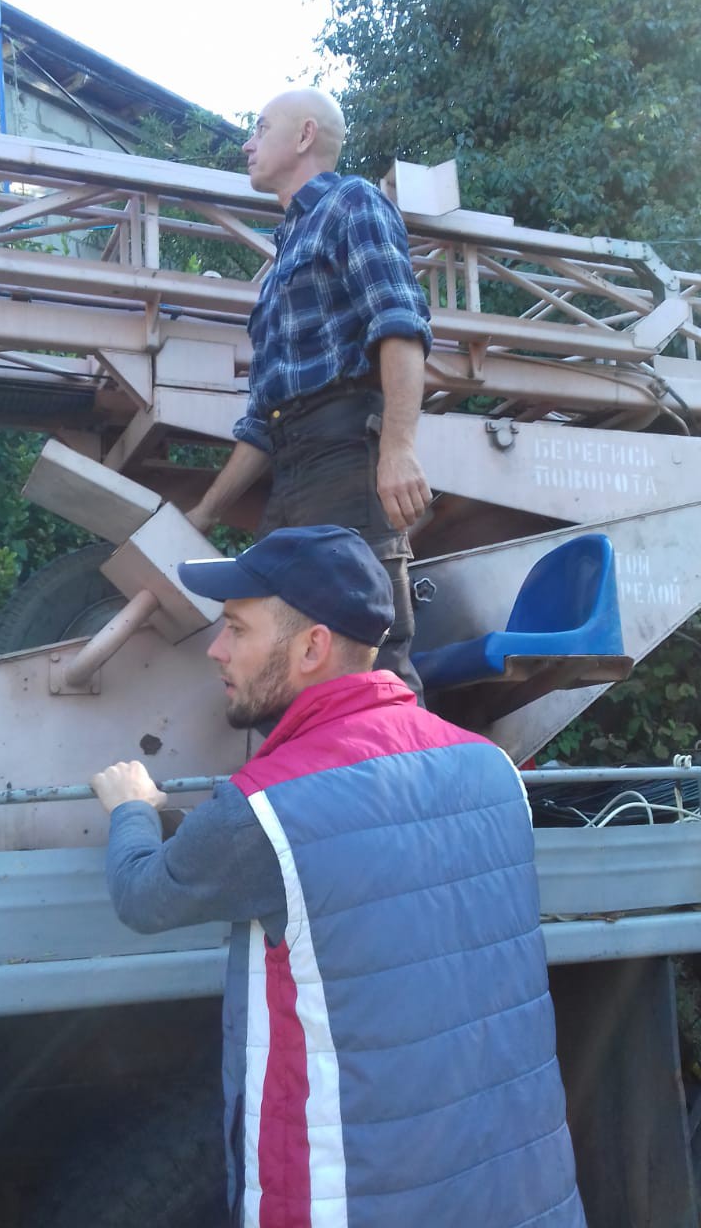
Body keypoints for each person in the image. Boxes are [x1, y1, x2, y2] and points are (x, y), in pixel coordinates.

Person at [91, 524, 586, 1228]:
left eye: (237, 628)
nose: (215, 649)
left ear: (312, 648)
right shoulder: (491, 768)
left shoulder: (263, 810)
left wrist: (133, 810)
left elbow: (144, 896)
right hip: (524, 1195)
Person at [187, 87, 433, 701]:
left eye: (260, 128)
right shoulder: (282, 258)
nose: (246, 144)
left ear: (303, 137)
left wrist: (398, 449)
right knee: (278, 659)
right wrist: (207, 511)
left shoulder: (353, 203)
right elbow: (262, 421)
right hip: (292, 469)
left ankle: (403, 766)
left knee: (367, 659)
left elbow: (399, 326)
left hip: (345, 455)